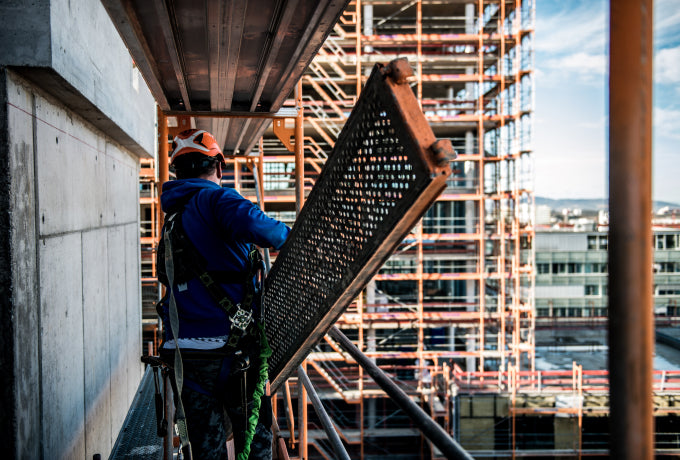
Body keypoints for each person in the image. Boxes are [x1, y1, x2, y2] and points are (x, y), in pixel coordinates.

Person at [156, 128, 290, 459]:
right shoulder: (217, 199)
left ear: (178, 171)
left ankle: (182, 442)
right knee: (255, 436)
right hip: (231, 351)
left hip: (182, 355)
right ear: (219, 167)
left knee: (197, 442)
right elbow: (267, 231)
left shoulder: (172, 220)